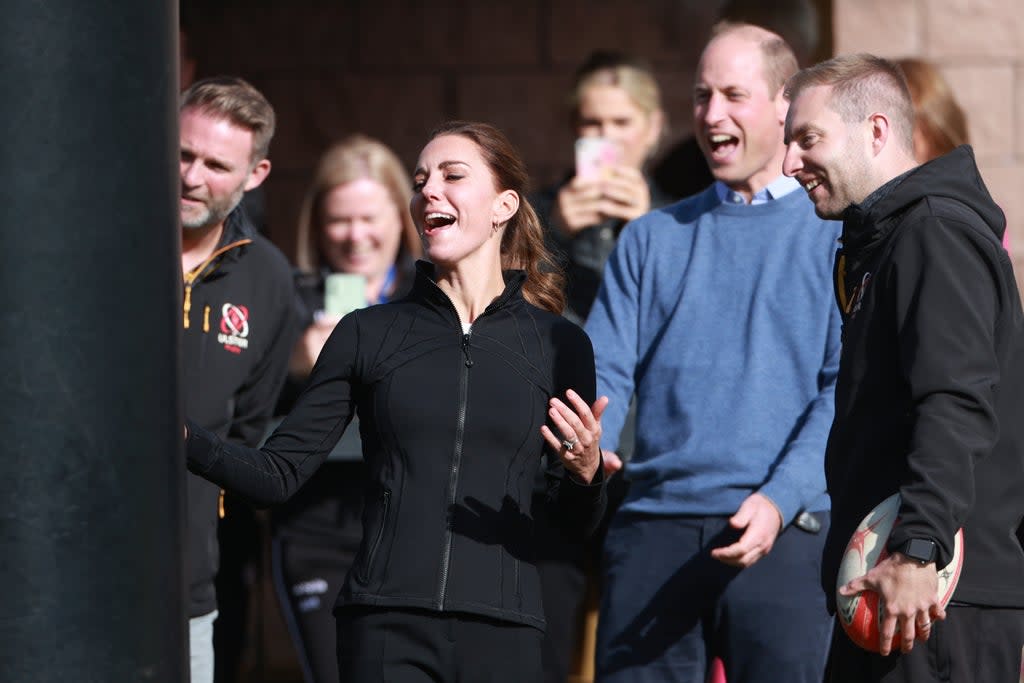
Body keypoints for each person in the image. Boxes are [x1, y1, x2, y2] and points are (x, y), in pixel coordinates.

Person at [185, 120, 609, 682]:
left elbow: (573, 523)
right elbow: (278, 473)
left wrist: (588, 473)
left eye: (453, 175)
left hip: (506, 630)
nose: (429, 190)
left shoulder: (558, 343)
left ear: (504, 205)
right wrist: (181, 436)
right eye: (420, 180)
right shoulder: (367, 332)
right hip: (384, 626)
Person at [587, 23, 841, 682]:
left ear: (787, 104)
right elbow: (603, 369)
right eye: (702, 96)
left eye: (734, 94)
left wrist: (781, 497)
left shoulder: (837, 240)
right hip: (652, 531)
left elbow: (845, 390)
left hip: (787, 533)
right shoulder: (649, 239)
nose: (711, 114)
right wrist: (592, 439)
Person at [782, 53, 1024, 682]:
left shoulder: (933, 233)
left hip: (931, 596)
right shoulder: (885, 243)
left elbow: (957, 400)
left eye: (809, 139)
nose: (789, 163)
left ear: (878, 131)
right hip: (893, 590)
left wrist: (919, 546)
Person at [269, 134, 422, 683]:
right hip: (318, 529)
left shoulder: (431, 296)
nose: (356, 236)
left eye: (370, 218)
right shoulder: (289, 299)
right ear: (317, 223)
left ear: (403, 218)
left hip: (415, 529)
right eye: (340, 221)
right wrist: (294, 366)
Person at [179, 76, 299, 683]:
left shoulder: (271, 280)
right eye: (182, 153)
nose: (191, 176)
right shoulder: (104, 244)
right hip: (72, 557)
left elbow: (248, 433)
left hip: (191, 586)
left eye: (216, 164)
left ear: (256, 174)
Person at [533, 50, 670, 324]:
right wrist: (553, 233)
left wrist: (649, 231)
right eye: (592, 123)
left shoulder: (679, 217)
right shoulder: (533, 212)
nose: (607, 136)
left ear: (653, 127)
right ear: (575, 127)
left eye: (622, 122)